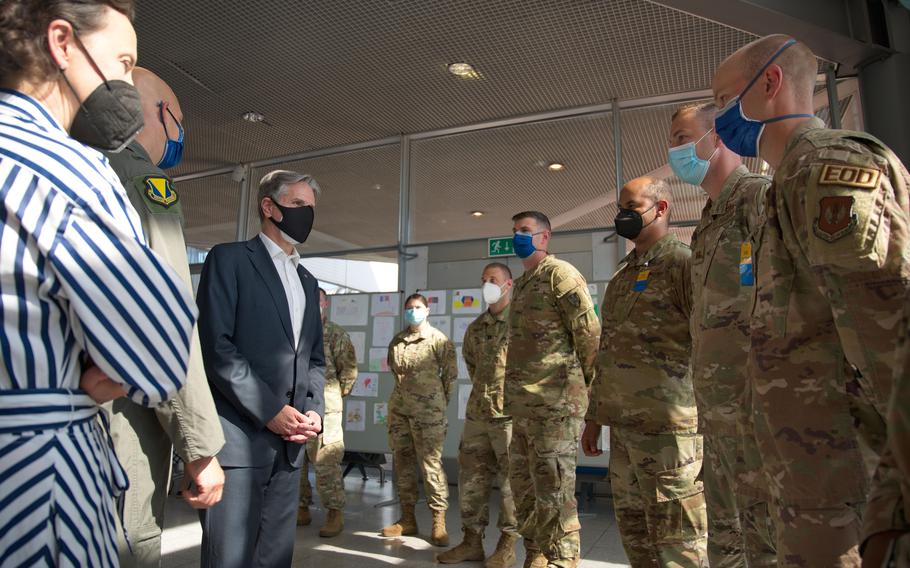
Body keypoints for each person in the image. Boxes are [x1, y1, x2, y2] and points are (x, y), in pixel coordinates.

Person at [0, 1, 198, 564]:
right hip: (39, 487)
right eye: (123, 60)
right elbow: (158, 349)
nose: (124, 82)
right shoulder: (71, 169)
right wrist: (85, 378)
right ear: (62, 43)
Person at [711, 35, 910, 566]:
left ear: (770, 84)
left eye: (723, 101)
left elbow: (888, 341)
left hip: (844, 485)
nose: (719, 122)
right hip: (797, 475)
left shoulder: (827, 170)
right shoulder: (783, 184)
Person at [102, 66, 225, 567]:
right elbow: (167, 321)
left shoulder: (61, 166)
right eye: (178, 119)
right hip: (115, 426)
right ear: (160, 114)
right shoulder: (144, 181)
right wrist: (199, 448)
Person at [196, 170, 326, 568]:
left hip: (290, 447)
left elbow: (315, 358)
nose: (307, 215)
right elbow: (217, 347)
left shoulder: (307, 280)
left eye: (311, 208)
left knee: (274, 557)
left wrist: (314, 409)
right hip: (240, 442)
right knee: (230, 557)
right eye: (299, 205)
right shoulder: (229, 259)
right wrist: (271, 411)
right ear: (269, 207)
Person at [667, 102, 777, 567]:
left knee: (769, 537)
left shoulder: (757, 197)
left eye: (681, 137)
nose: (676, 150)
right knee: (728, 536)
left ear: (718, 136)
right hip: (718, 410)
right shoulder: (708, 222)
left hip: (758, 409)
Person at [582, 177, 707, 567]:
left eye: (632, 207)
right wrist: (594, 417)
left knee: (678, 543)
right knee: (636, 539)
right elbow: (609, 350)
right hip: (624, 430)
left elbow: (708, 341)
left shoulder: (682, 264)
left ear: (662, 208)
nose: (623, 216)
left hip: (669, 434)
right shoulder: (623, 274)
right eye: (620, 207)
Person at [506, 211, 600, 568]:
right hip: (524, 410)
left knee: (555, 498)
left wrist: (595, 404)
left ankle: (563, 562)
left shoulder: (560, 275)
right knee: (526, 494)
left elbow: (589, 337)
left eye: (525, 231)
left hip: (556, 409)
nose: (518, 237)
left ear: (544, 238)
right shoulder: (524, 282)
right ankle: (537, 557)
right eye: (515, 231)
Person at [438, 263, 519, 568]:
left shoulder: (521, 324)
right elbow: (474, 369)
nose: (487, 284)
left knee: (512, 484)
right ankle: (472, 542)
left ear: (508, 284)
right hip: (478, 416)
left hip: (510, 417)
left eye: (493, 280)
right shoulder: (475, 329)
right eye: (484, 280)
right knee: (472, 479)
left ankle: (507, 545)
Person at [382, 293, 458, 547]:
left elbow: (450, 378)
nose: (413, 311)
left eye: (417, 307)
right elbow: (395, 372)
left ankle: (438, 521)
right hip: (400, 411)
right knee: (403, 464)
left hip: (428, 413)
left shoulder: (439, 340)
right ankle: (408, 518)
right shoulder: (397, 341)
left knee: (430, 466)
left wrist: (435, 406)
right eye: (409, 308)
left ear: (427, 310)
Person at [298, 287, 358, 537]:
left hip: (327, 407)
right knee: (297, 459)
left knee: (327, 460)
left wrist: (332, 397)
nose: (315, 306)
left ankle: (334, 512)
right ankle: (301, 506)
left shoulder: (336, 334)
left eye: (319, 302)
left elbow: (349, 372)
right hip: (297, 405)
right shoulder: (296, 332)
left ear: (326, 305)